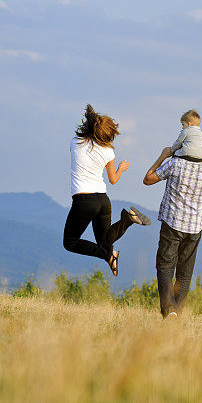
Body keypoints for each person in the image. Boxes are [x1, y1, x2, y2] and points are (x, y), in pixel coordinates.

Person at [63, 104, 150, 276]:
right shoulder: (108, 152)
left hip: (84, 201)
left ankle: (108, 254)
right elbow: (113, 179)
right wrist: (120, 169)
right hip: (103, 200)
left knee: (70, 242)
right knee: (105, 242)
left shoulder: (75, 142)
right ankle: (126, 220)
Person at [143, 143, 202, 318]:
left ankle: (169, 311)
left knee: (165, 266)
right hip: (194, 227)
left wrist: (163, 156)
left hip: (173, 223)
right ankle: (177, 315)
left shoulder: (175, 163)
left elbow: (148, 179)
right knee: (185, 274)